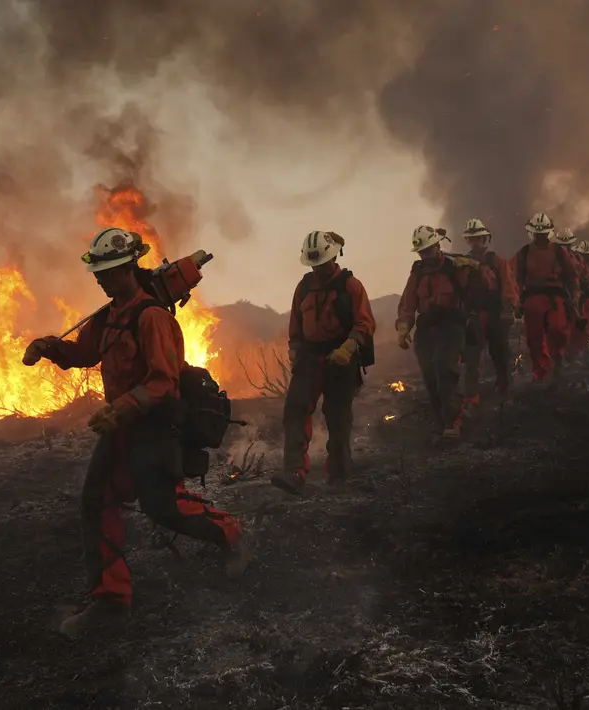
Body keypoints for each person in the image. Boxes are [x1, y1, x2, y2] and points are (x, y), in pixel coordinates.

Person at [24, 226, 252, 638]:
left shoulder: (151, 318)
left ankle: (232, 535)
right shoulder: (108, 317)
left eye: (108, 272)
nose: (101, 279)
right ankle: (111, 602)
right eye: (99, 272)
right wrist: (50, 348)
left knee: (164, 508)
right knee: (96, 502)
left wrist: (120, 409)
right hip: (121, 428)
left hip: (154, 428)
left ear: (128, 268)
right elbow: (84, 353)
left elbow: (164, 381)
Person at [273, 230, 376, 495]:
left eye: (322, 263)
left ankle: (339, 473)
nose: (318, 269)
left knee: (338, 416)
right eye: (314, 264)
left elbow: (365, 323)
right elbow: (296, 324)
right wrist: (294, 352)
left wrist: (348, 348)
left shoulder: (350, 286)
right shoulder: (304, 287)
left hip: (340, 358)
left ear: (334, 257)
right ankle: (294, 472)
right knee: (295, 409)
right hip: (310, 356)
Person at [396, 225, 490, 440]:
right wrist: (403, 328)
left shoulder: (455, 266)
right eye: (421, 252)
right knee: (430, 377)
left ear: (437, 246)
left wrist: (476, 268)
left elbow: (486, 284)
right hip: (425, 330)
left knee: (445, 370)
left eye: (427, 250)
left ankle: (453, 421)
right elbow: (408, 303)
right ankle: (440, 423)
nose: (424, 255)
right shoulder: (418, 272)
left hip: (451, 326)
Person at [513, 213, 579, 382]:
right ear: (532, 232)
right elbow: (517, 279)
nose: (540, 236)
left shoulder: (559, 251)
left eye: (542, 233)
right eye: (537, 233)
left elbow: (571, 276)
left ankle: (557, 362)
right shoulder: (524, 252)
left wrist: (574, 296)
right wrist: (517, 301)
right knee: (534, 339)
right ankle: (541, 374)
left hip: (554, 299)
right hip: (532, 300)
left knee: (558, 330)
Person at [460, 218, 518, 410]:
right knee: (472, 358)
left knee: (500, 355)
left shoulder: (496, 261)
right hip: (473, 316)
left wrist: (508, 310)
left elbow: (508, 286)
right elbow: (458, 290)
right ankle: (471, 397)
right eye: (472, 239)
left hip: (495, 315)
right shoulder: (462, 264)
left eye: (478, 238)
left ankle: (504, 390)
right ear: (467, 241)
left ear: (485, 239)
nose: (475, 243)